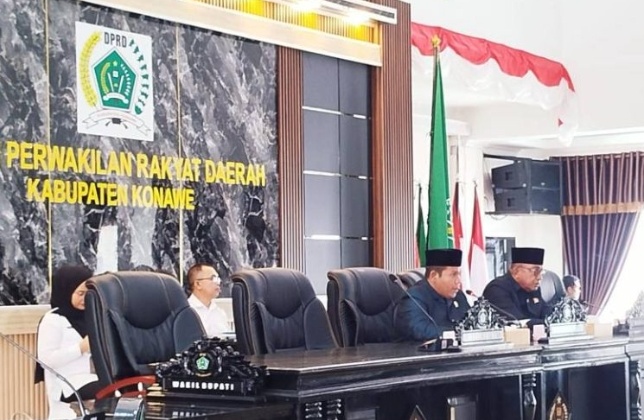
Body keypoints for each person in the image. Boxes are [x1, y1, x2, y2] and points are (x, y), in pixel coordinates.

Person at [35, 265, 101, 420]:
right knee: (110, 388)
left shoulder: (93, 316)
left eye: (89, 294)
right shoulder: (53, 320)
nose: (85, 299)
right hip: (67, 384)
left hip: (94, 378)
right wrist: (80, 348)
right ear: (66, 291)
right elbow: (46, 360)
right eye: (80, 293)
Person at [395, 249, 470, 341]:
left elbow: (470, 322)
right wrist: (458, 334)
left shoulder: (458, 295)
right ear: (433, 275)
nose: (459, 281)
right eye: (453, 275)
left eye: (459, 274)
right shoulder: (414, 297)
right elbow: (420, 331)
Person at [483, 247, 550, 323]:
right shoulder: (496, 289)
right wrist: (545, 323)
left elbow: (548, 314)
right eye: (535, 271)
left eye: (541, 272)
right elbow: (516, 322)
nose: (539, 277)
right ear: (516, 271)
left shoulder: (533, 288)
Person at [187, 263, 230, 338]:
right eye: (213, 278)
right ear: (198, 284)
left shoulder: (220, 312)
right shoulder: (186, 311)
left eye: (218, 278)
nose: (218, 282)